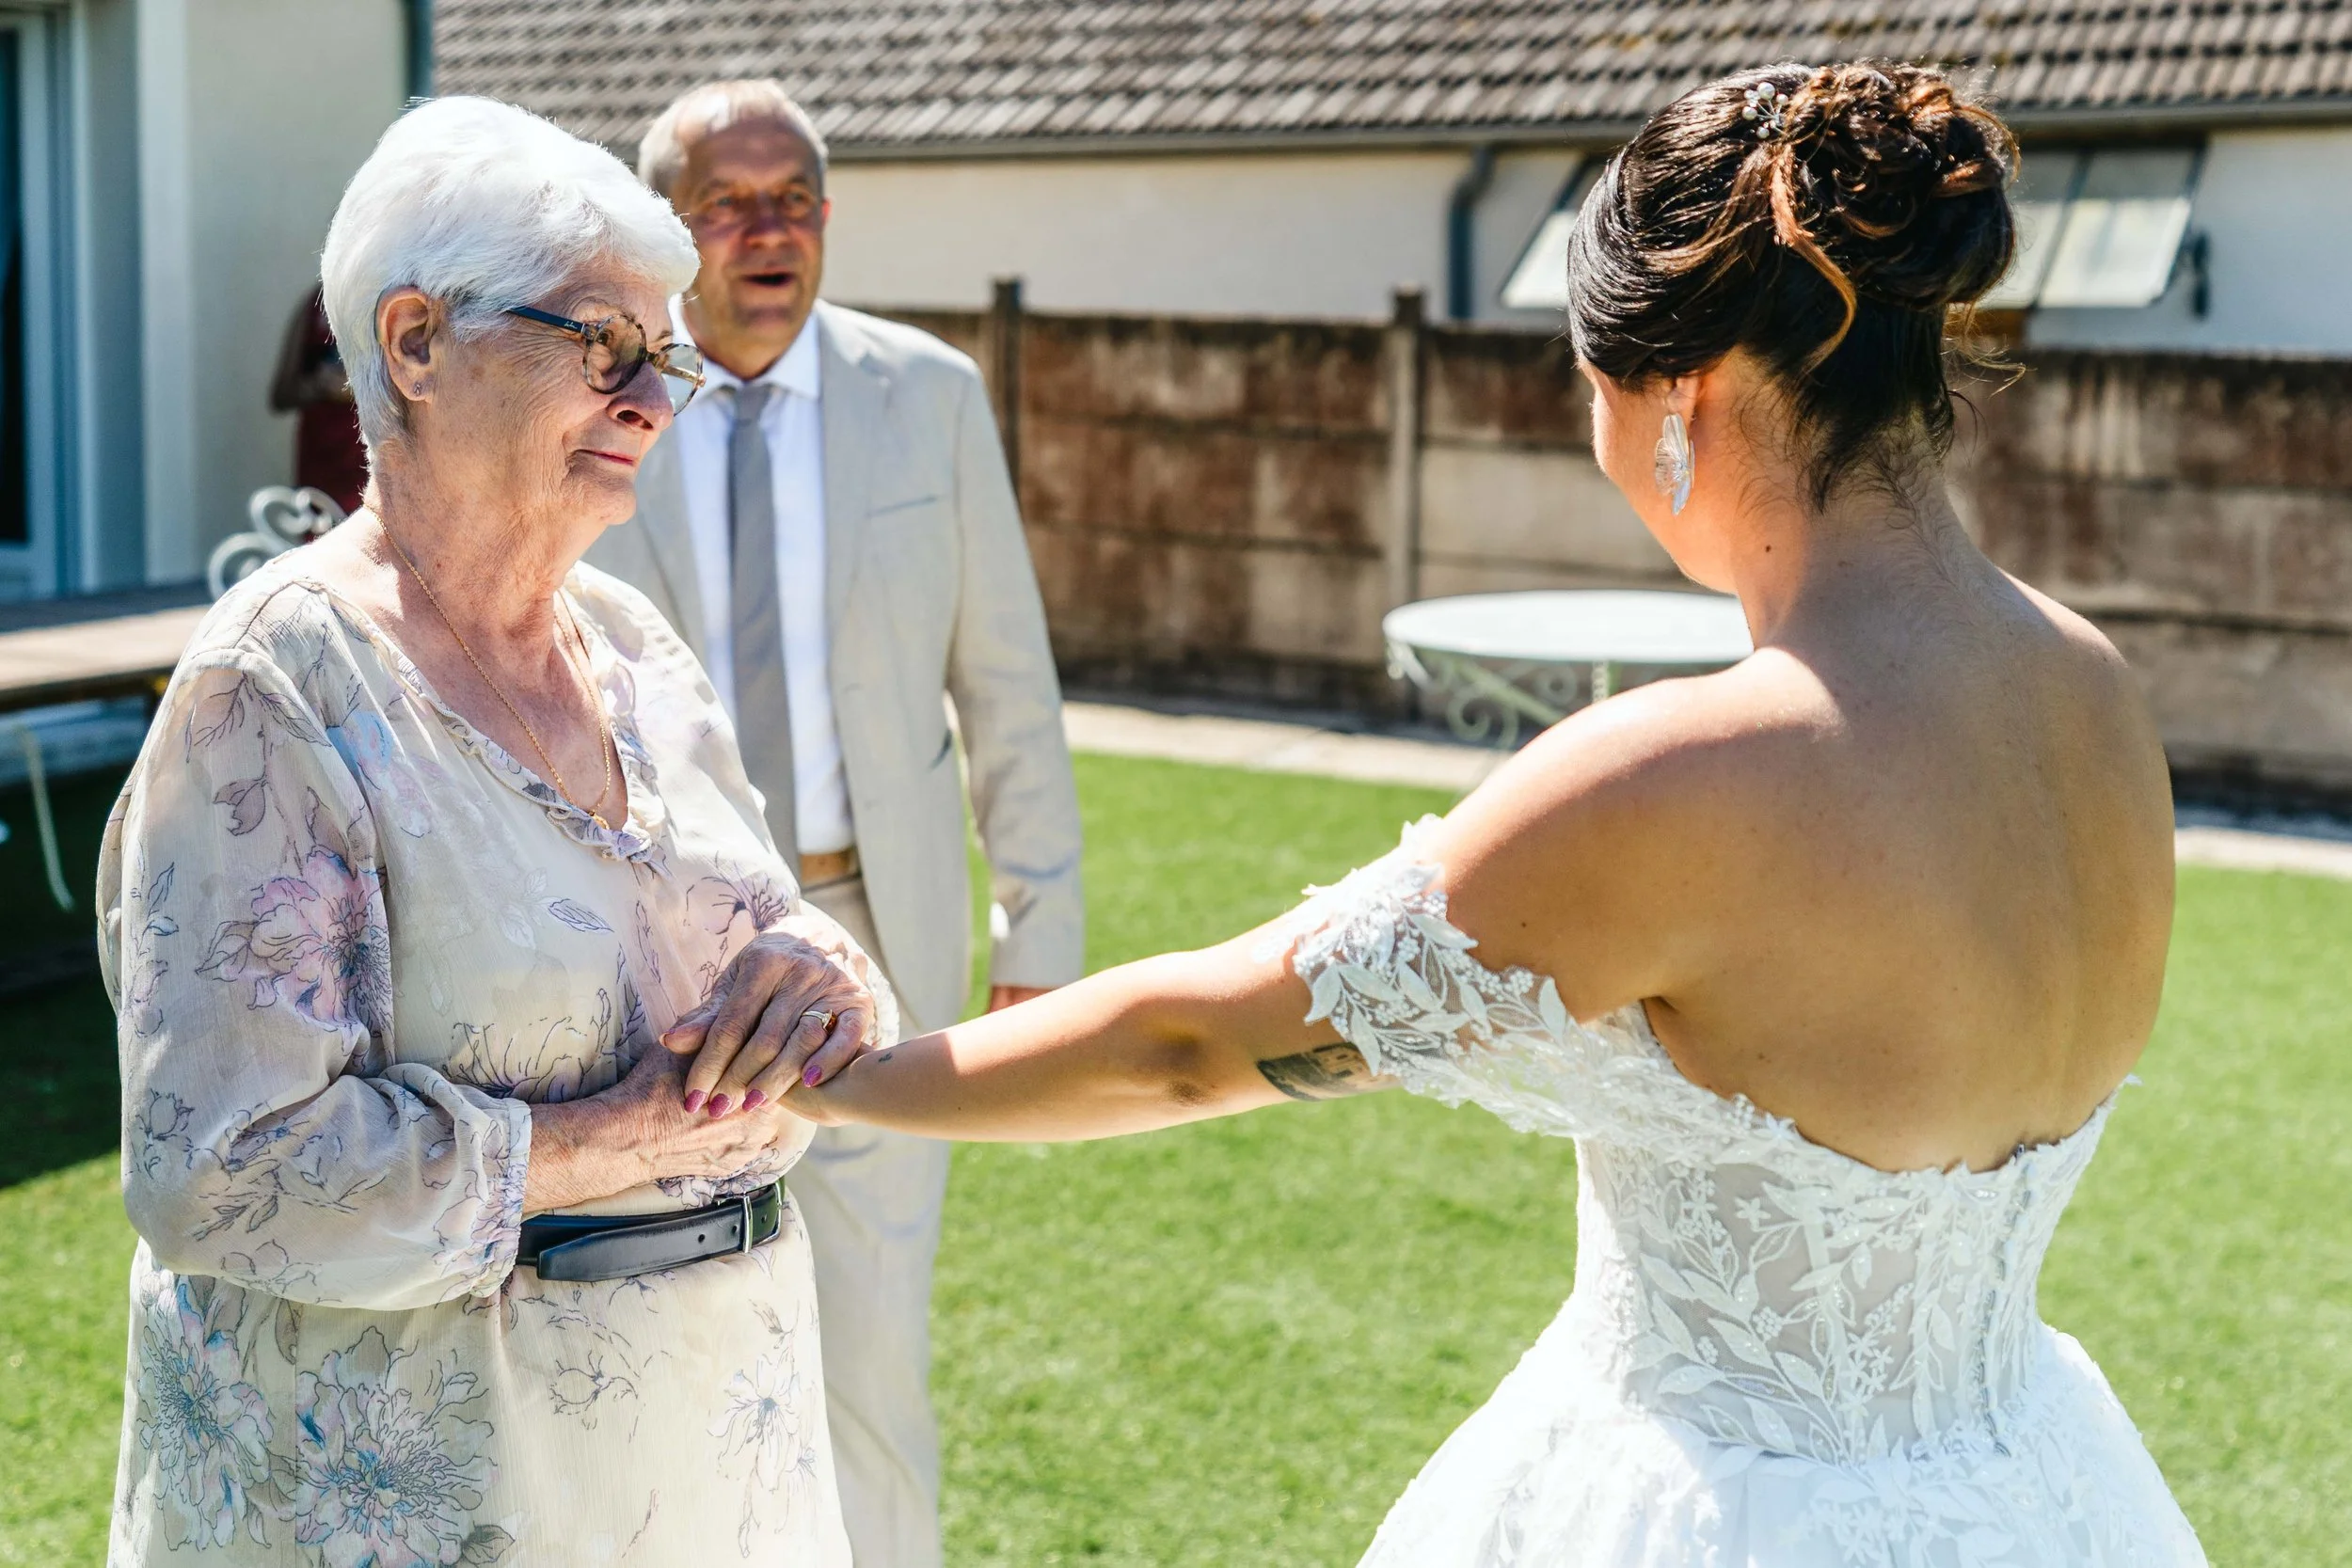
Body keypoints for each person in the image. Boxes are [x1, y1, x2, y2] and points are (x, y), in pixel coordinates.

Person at [684, 64, 2208, 1564]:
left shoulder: (1689, 775)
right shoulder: (2098, 701)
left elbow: (1188, 1046)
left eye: (1592, 394)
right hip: (2039, 1485)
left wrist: (848, 1079)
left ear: (1678, 401)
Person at [98, 96, 889, 1566]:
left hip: (720, 1462)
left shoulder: (630, 640)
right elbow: (220, 1170)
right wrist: (623, 1133)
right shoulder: (272, 688)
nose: (655, 400)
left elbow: (758, 916)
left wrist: (830, 979)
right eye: (608, 348)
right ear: (414, 344)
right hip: (452, 1492)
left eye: (670, 357)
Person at [584, 79, 1085, 1568]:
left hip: (880, 931)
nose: (769, 230)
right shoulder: (602, 402)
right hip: (650, 955)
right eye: (729, 203)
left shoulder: (924, 392)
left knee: (870, 1360)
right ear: (667, 230)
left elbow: (1006, 676)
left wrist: (1040, 927)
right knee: (656, 1345)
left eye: (794, 197)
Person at [268, 283, 369, 516]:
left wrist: (355, 390)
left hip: (369, 464)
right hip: (321, 470)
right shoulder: (315, 303)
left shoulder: (391, 298)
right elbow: (281, 394)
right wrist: (319, 386)